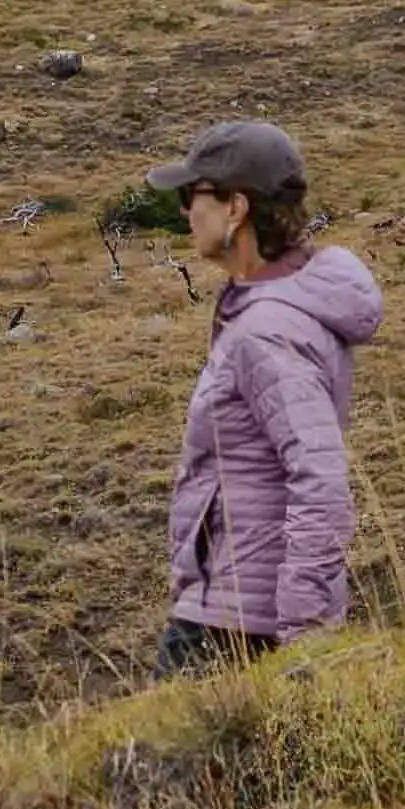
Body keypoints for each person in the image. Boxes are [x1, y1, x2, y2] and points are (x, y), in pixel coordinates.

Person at [146, 118, 382, 670]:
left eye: (192, 194)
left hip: (236, 628)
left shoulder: (267, 329)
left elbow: (320, 481)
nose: (185, 211)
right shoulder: (271, 302)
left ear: (236, 208)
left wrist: (304, 636)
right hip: (235, 611)